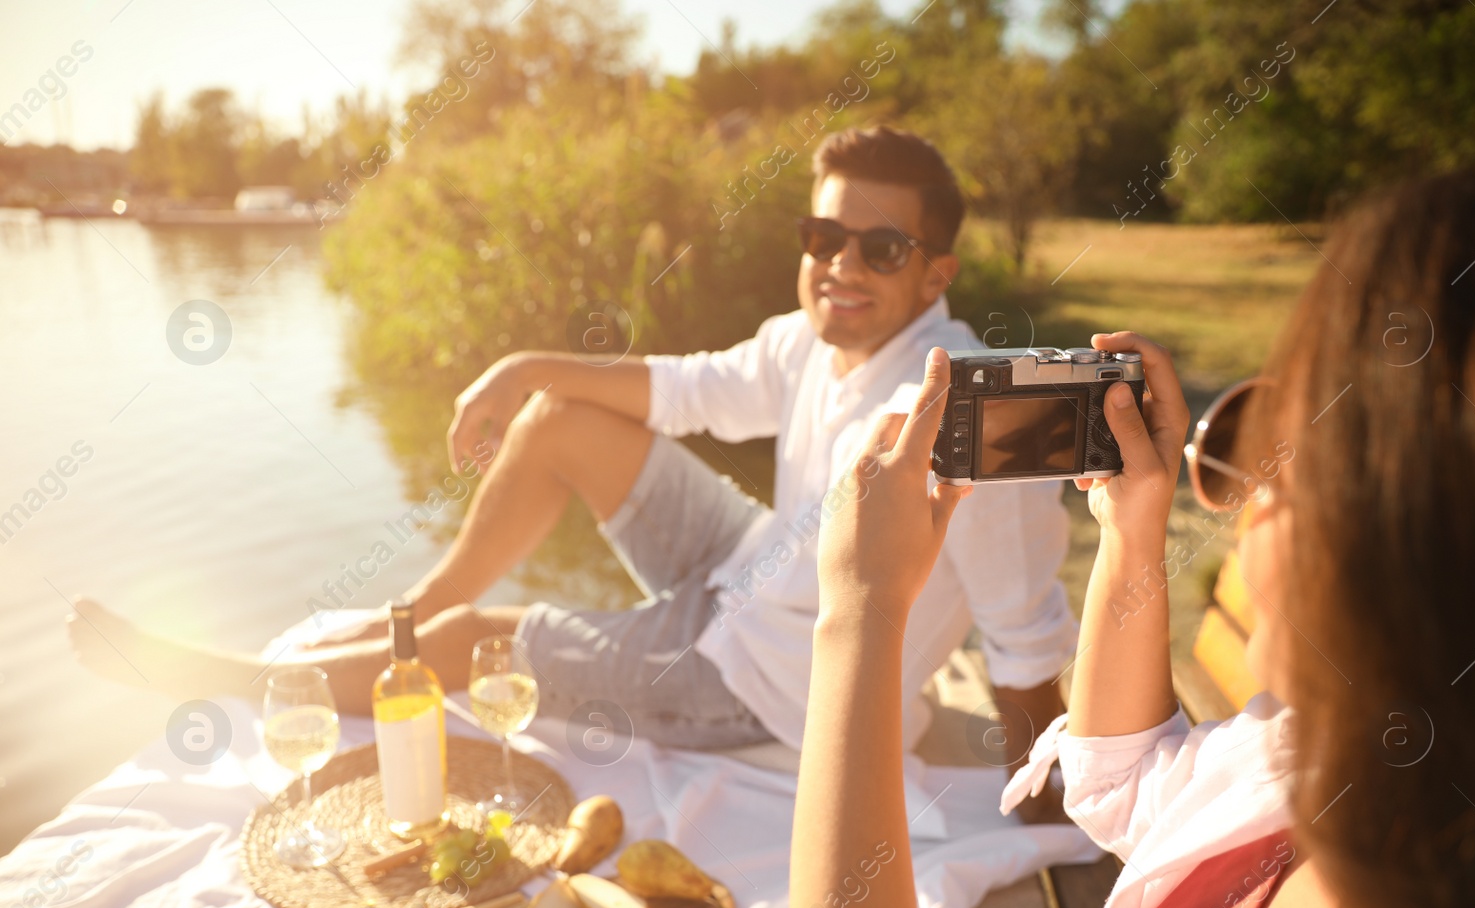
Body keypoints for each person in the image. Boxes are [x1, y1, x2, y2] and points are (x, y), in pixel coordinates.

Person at [779, 167, 1475, 908]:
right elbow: (1134, 777)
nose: (1252, 490)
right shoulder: (1342, 756)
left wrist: (857, 614)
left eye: (1299, 443)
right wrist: (1132, 533)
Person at [68, 126, 1077, 769]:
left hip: (765, 681)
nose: (838, 266)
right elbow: (687, 389)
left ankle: (227, 676)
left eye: (880, 248)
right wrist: (520, 367)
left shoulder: (972, 409)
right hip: (746, 568)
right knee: (556, 419)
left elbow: (1025, 628)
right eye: (822, 237)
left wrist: (1049, 809)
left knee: (482, 652)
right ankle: (420, 610)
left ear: (936, 272)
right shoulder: (809, 337)